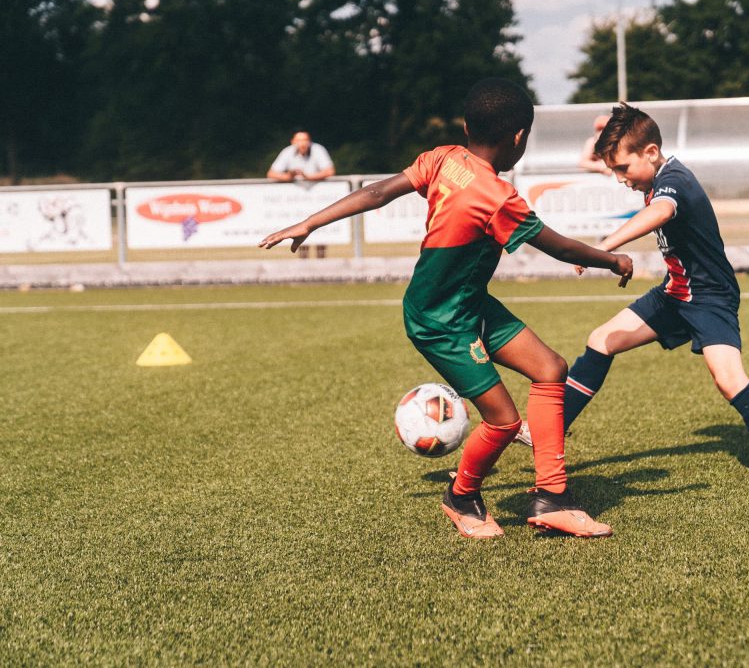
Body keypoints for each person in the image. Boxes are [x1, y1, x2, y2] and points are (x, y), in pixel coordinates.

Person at [258, 78, 634, 538]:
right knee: (503, 420)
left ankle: (552, 498)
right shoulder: (499, 199)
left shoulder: (443, 158)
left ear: (465, 125)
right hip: (440, 322)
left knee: (551, 369)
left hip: (465, 302)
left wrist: (310, 221)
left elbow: (378, 192)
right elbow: (561, 249)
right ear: (518, 138)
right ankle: (461, 497)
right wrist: (612, 258)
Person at [520, 102, 749, 490]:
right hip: (674, 293)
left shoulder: (675, 180)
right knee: (601, 341)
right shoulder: (653, 175)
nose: (620, 179)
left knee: (729, 380)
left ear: (651, 153)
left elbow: (661, 212)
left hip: (710, 297)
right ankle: (549, 432)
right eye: (614, 171)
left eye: (623, 170)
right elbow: (626, 177)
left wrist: (605, 248)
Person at [267, 130, 337, 258]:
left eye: (305, 140)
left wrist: (308, 177)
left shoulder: (318, 150)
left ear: (309, 141)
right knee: (299, 226)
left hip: (318, 198)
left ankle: (322, 258)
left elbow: (329, 171)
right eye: (299, 140)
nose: (302, 143)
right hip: (297, 201)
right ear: (293, 142)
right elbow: (271, 174)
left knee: (319, 225)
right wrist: (289, 176)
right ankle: (303, 259)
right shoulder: (287, 152)